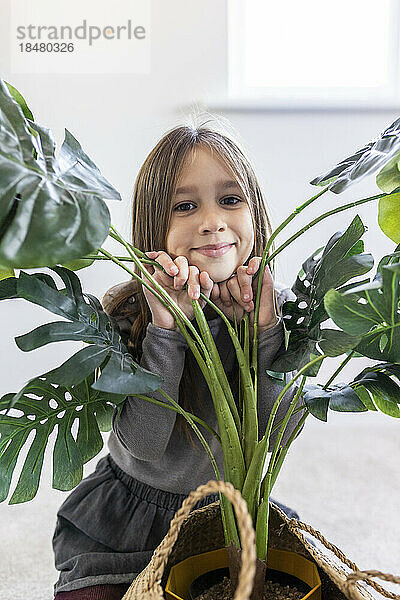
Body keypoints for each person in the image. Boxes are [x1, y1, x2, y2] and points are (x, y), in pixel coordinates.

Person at [52, 119, 305, 600]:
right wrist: (167, 330)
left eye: (230, 200)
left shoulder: (279, 310)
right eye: (186, 206)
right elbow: (144, 444)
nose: (212, 221)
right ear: (155, 227)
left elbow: (279, 433)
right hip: (133, 522)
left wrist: (264, 334)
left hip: (231, 516)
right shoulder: (128, 317)